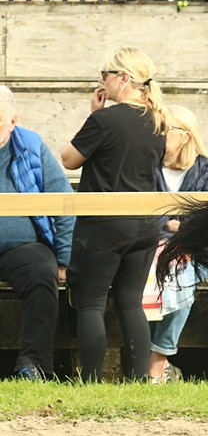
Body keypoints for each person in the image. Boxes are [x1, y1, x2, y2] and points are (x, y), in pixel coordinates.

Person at [61, 47, 167, 381]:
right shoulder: (159, 120)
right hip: (147, 223)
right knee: (131, 303)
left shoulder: (104, 119)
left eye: (104, 74)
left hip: (105, 222)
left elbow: (68, 159)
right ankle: (138, 380)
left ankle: (91, 380)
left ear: (123, 78)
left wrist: (95, 113)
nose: (100, 80)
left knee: (91, 302)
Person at [0, 86, 75, 380]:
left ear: (13, 121)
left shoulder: (31, 145)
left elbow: (64, 201)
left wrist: (65, 259)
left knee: (42, 273)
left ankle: (32, 364)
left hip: (23, 246)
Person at [148, 105, 208, 384]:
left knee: (182, 283)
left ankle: (156, 361)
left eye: (164, 130)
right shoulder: (148, 164)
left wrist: (183, 229)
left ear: (185, 136)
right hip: (151, 247)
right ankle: (157, 361)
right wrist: (168, 225)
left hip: (197, 252)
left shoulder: (206, 168)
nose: (157, 136)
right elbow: (140, 209)